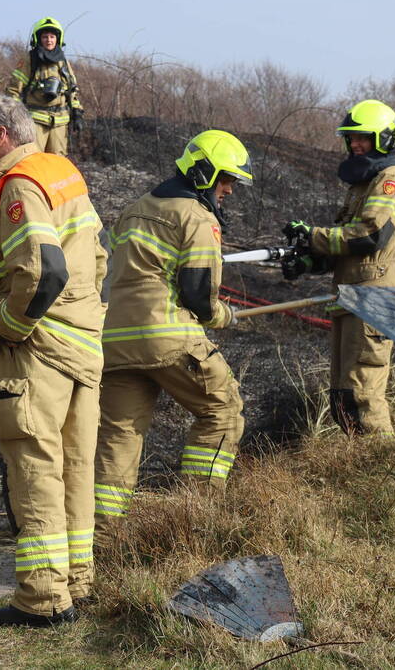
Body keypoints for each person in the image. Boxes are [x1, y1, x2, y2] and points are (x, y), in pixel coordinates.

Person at [0, 93, 107, 627]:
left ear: (1, 135)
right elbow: (97, 258)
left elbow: (46, 271)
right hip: (83, 343)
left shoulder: (19, 185)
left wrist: (5, 328)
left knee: (36, 467)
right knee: (76, 467)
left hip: (40, 349)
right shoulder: (61, 172)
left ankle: (43, 599)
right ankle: (78, 583)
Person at [93, 130, 248, 540]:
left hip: (116, 341)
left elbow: (104, 271)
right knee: (223, 410)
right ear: (204, 172)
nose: (228, 190)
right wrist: (221, 315)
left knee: (118, 436)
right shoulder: (197, 216)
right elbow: (198, 292)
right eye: (226, 179)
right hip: (168, 337)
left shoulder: (134, 209)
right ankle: (195, 520)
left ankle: (103, 540)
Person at [282, 99, 395, 438]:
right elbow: (348, 245)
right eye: (352, 138)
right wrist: (310, 261)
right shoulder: (362, 184)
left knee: (362, 397)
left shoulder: (393, 178)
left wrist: (313, 236)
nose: (355, 144)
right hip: (354, 294)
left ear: (385, 139)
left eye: (364, 138)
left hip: (377, 298)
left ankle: (384, 464)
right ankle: (362, 463)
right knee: (344, 399)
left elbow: (371, 235)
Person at [5, 16, 83, 157]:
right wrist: (14, 116)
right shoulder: (30, 60)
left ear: (58, 39)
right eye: (45, 37)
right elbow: (13, 90)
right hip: (35, 121)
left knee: (57, 162)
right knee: (33, 159)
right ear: (38, 39)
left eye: (52, 37)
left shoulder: (63, 62)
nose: (49, 40)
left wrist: (77, 113)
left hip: (59, 123)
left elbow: (72, 90)